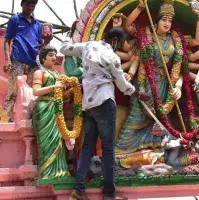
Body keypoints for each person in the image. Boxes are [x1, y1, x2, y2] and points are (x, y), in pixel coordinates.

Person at [60, 27, 149, 200]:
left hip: (89, 105)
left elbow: (64, 48)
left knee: (87, 147)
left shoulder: (88, 46)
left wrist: (69, 37)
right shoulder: (112, 58)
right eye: (121, 43)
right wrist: (138, 94)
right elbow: (123, 86)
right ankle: (109, 194)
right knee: (108, 149)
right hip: (105, 103)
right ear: (114, 41)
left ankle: (78, 190)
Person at [3, 0, 52, 121]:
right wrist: (7, 59)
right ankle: (7, 118)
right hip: (18, 61)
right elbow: (7, 40)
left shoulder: (38, 25)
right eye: (27, 5)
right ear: (22, 5)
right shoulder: (15, 20)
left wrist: (46, 42)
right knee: (13, 91)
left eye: (32, 5)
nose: (30, 8)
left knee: (32, 92)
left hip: (33, 63)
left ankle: (29, 119)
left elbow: (40, 47)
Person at [31, 46, 75, 186]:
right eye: (50, 55)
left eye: (55, 55)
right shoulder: (39, 73)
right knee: (47, 142)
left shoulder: (57, 74)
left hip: (57, 108)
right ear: (43, 58)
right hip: (44, 108)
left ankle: (60, 172)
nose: (54, 57)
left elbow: (62, 95)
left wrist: (73, 90)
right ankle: (46, 173)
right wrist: (53, 87)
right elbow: (36, 91)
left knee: (58, 141)